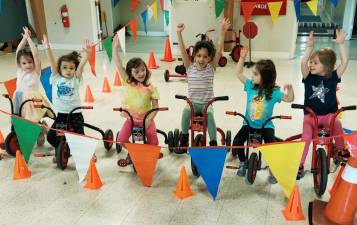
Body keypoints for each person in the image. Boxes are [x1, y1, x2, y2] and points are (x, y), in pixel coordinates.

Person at [233, 47, 295, 184]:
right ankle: (243, 162)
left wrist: (290, 90)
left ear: (265, 77)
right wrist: (242, 58)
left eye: (255, 74)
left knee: (271, 146)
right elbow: (238, 73)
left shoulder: (274, 92)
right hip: (248, 124)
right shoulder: (250, 86)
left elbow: (289, 99)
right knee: (237, 142)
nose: (252, 76)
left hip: (266, 125)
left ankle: (273, 168)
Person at [297, 31, 349, 179]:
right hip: (311, 116)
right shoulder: (308, 77)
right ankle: (300, 164)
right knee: (306, 138)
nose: (311, 65)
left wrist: (340, 44)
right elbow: (302, 62)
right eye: (311, 62)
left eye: (315, 63)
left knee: (338, 125)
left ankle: (339, 150)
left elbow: (345, 62)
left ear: (326, 67)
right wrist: (309, 47)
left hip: (328, 115)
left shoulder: (333, 77)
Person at [176, 18, 231, 148]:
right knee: (185, 112)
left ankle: (213, 142)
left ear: (210, 58)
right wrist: (179, 33)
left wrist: (223, 32)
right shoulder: (189, 67)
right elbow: (183, 51)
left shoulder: (211, 68)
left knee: (210, 115)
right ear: (194, 56)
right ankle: (184, 136)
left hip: (207, 103)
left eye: (205, 56)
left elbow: (218, 51)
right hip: (193, 103)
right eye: (199, 55)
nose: (201, 59)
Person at [42, 35, 93, 161]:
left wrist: (87, 54)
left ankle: (88, 153)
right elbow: (52, 63)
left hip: (75, 113)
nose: (68, 70)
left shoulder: (75, 80)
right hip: (61, 114)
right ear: (59, 69)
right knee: (52, 136)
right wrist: (47, 47)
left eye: (71, 68)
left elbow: (81, 66)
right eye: (65, 67)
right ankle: (62, 150)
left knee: (79, 135)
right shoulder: (56, 78)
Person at [112, 34, 161, 163]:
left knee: (154, 141)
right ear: (130, 74)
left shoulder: (151, 88)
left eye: (143, 70)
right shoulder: (128, 82)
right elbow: (118, 64)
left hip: (146, 120)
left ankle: (149, 152)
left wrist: (149, 120)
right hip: (130, 119)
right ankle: (134, 151)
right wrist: (115, 49)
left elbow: (156, 108)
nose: (141, 73)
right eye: (136, 72)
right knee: (121, 139)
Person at [13, 27, 51, 145]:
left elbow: (35, 54)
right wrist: (24, 38)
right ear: (20, 64)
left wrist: (29, 39)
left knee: (32, 119)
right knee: (19, 118)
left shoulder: (36, 72)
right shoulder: (20, 70)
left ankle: (41, 129)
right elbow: (18, 51)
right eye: (24, 63)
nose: (28, 65)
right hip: (19, 97)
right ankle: (25, 134)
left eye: (30, 62)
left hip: (32, 100)